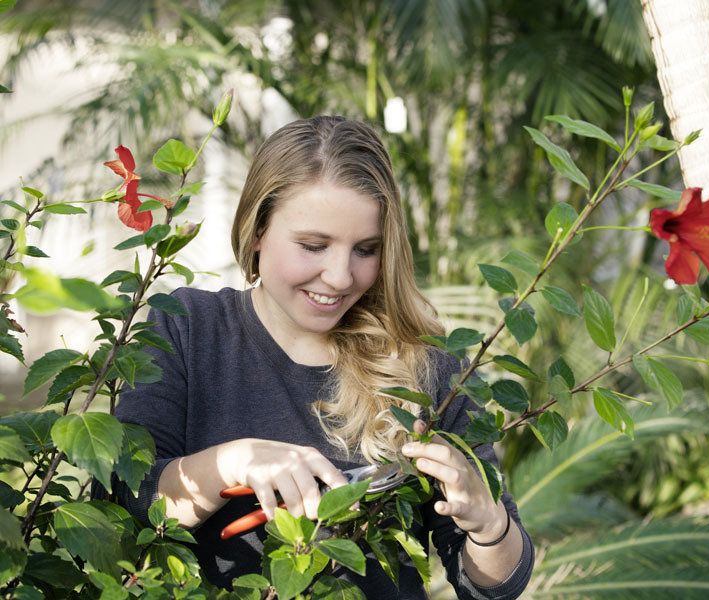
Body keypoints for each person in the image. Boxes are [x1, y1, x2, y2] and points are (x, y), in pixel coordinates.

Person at [100, 116, 534, 598]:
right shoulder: (184, 326)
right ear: (257, 228)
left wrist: (487, 522)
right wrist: (231, 462)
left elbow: (493, 586)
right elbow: (126, 499)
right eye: (313, 245)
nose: (340, 277)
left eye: (366, 250)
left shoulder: (424, 367)